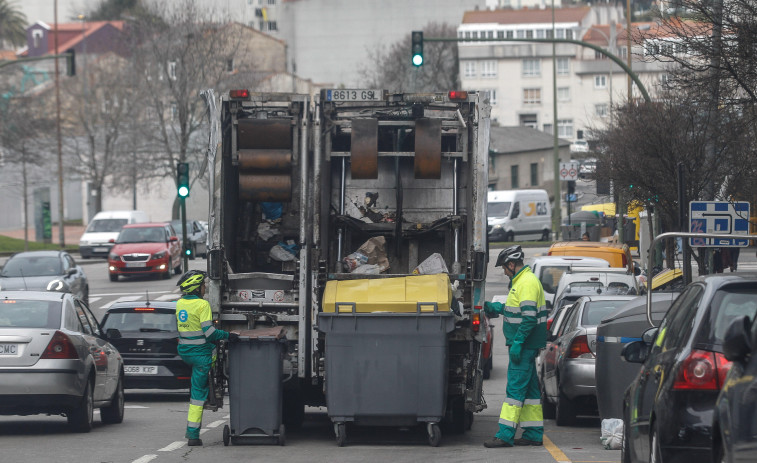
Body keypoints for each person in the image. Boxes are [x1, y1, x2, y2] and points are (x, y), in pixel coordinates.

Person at [483, 245, 548, 448]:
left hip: (524, 346)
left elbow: (528, 318)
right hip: (527, 346)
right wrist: (496, 308)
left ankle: (505, 435)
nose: (503, 271)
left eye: (504, 267)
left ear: (512, 264)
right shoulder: (522, 281)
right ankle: (534, 433)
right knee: (530, 394)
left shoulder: (526, 283)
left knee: (514, 391)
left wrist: (518, 342)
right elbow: (517, 310)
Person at [175, 270, 238, 446]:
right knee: (197, 394)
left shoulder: (179, 304)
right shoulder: (202, 305)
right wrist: (228, 335)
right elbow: (210, 334)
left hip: (186, 352)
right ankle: (193, 435)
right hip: (201, 355)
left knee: (199, 379)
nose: (204, 288)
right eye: (203, 285)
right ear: (196, 288)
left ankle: (211, 388)